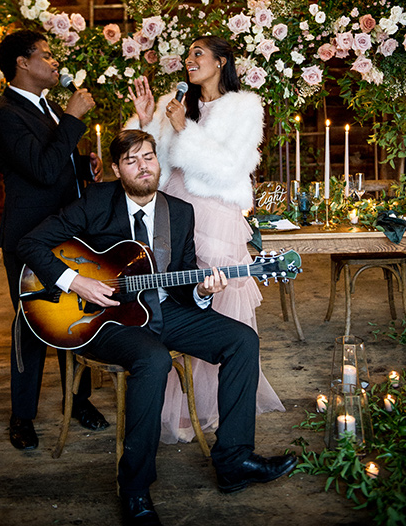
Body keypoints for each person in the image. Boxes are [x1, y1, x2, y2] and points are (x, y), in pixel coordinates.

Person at [17, 129, 297, 526]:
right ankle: (134, 489)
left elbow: (182, 288)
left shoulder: (179, 213)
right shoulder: (97, 201)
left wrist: (201, 290)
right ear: (117, 168)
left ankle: (234, 460)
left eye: (148, 156)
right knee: (154, 359)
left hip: (165, 312)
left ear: (158, 161)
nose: (143, 166)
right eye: (131, 160)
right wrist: (75, 282)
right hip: (104, 319)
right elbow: (30, 245)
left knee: (241, 339)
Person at [127, 35, 284, 444]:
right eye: (188, 54)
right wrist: (146, 121)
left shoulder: (244, 107)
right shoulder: (171, 102)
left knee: (216, 301)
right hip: (175, 209)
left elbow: (232, 168)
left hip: (215, 213)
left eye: (199, 53)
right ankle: (176, 408)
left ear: (222, 61)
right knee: (175, 295)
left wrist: (185, 129)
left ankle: (214, 406)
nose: (190, 60)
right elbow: (148, 160)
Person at [0, 29, 108, 451]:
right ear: (23, 62)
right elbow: (39, 168)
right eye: (47, 55)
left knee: (79, 316)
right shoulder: (4, 115)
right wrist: (73, 120)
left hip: (70, 234)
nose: (55, 62)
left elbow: (58, 164)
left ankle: (78, 401)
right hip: (28, 238)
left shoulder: (50, 108)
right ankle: (23, 415)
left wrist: (83, 166)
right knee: (34, 325)